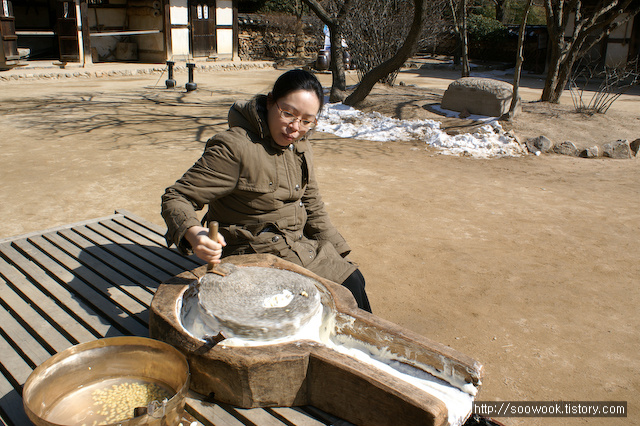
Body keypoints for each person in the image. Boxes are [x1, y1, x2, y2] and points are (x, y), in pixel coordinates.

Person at [161, 69, 371, 312]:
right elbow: (177, 197)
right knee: (339, 294)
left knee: (353, 280)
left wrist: (337, 252)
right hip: (251, 253)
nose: (295, 127)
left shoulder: (300, 146)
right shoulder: (235, 147)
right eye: (288, 113)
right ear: (271, 101)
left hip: (293, 245)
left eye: (306, 120)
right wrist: (194, 233)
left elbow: (312, 205)